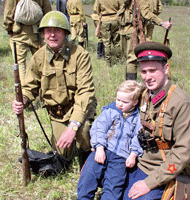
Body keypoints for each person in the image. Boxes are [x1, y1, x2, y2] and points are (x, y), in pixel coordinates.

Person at [12, 11, 97, 171]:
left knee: (84, 132)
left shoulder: (80, 55)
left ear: (65, 33)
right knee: (61, 160)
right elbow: (30, 87)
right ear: (43, 34)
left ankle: (87, 164)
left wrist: (73, 126)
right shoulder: (38, 57)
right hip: (57, 114)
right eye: (48, 31)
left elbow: (85, 92)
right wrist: (22, 100)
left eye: (57, 30)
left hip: (79, 108)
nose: (52, 35)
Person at [122, 42, 190, 199]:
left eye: (153, 71)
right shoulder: (143, 95)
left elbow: (182, 153)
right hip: (140, 162)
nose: (147, 77)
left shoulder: (180, 102)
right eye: (143, 71)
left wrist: (149, 183)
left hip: (164, 170)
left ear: (166, 68)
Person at [77, 80, 144, 200]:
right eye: (118, 99)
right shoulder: (111, 111)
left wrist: (133, 154)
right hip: (103, 149)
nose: (120, 104)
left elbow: (138, 137)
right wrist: (99, 147)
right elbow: (99, 128)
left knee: (114, 185)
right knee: (88, 175)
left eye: (124, 102)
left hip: (121, 157)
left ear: (135, 102)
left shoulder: (137, 118)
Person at [117, 0, 172, 81]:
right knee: (132, 59)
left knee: (129, 57)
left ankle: (131, 84)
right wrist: (161, 23)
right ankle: (131, 86)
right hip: (133, 30)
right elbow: (145, 12)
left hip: (125, 29)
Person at [3, 0, 52, 85]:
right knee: (42, 62)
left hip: (19, 32)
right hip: (37, 31)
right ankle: (45, 89)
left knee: (20, 64)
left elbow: (9, 11)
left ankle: (24, 93)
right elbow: (47, 11)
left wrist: (8, 28)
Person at [95, 0, 122, 66]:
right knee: (117, 42)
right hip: (115, 19)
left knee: (106, 43)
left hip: (105, 20)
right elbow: (121, 7)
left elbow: (97, 10)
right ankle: (118, 60)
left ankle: (108, 62)